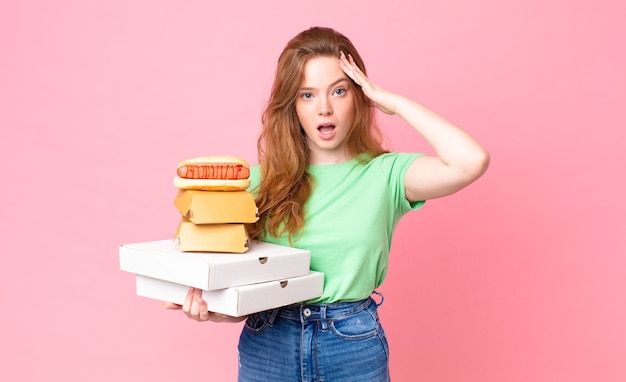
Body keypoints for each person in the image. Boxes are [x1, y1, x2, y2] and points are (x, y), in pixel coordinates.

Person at [164, 26, 489, 381]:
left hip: (351, 343)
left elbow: (470, 160)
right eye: (307, 95)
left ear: (359, 96)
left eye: (339, 91)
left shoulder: (386, 174)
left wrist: (392, 103)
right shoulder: (259, 181)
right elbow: (241, 272)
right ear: (292, 104)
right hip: (268, 340)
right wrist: (223, 308)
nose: (324, 108)